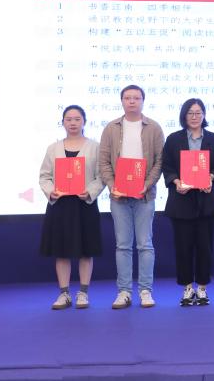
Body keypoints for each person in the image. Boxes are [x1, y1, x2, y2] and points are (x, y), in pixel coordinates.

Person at [98, 84, 164, 309]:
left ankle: (145, 291)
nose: (132, 101)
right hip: (119, 196)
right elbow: (104, 161)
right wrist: (112, 185)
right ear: (122, 101)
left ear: (143, 101)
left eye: (136, 98)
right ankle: (124, 291)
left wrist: (146, 184)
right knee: (123, 245)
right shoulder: (111, 128)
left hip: (145, 196)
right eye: (128, 98)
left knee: (145, 244)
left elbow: (159, 161)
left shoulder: (153, 127)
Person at [161, 98, 214, 306]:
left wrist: (211, 177)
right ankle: (188, 288)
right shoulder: (174, 139)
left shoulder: (213, 139)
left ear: (204, 115)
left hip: (206, 201)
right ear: (184, 115)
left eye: (198, 112)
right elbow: (167, 166)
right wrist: (176, 181)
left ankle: (202, 288)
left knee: (205, 248)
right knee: (183, 248)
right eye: (190, 113)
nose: (195, 117)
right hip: (181, 201)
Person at [38, 105, 104, 309]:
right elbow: (44, 176)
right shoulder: (53, 148)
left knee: (86, 250)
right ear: (63, 122)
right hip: (60, 205)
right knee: (61, 251)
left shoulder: (95, 147)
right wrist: (51, 191)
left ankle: (83, 293)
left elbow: (102, 176)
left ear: (84, 121)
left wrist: (90, 191)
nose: (73, 123)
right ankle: (64, 294)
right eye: (68, 119)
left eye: (77, 119)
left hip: (85, 204)